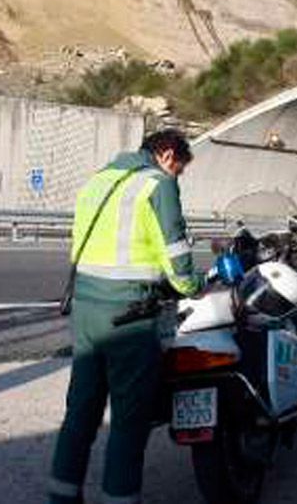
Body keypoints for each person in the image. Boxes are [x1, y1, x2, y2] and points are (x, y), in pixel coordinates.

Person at [49, 129, 206, 504]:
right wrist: (194, 284)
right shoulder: (157, 185)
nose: (177, 177)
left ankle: (61, 496)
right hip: (130, 316)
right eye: (179, 169)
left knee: (81, 412)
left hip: (85, 310)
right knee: (129, 421)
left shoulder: (97, 181)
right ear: (167, 155)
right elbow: (177, 260)